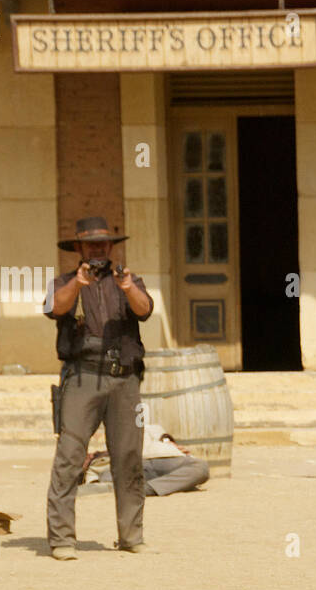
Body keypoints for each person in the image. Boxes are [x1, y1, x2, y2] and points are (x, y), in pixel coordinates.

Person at [43, 216, 154, 560]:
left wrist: (128, 288)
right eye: (90, 245)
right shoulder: (63, 282)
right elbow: (54, 308)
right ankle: (62, 540)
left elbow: (145, 309)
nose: (97, 250)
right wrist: (77, 284)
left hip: (124, 380)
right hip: (82, 378)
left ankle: (131, 535)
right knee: (70, 457)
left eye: (102, 244)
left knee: (129, 458)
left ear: (111, 247)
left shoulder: (128, 280)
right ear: (78, 248)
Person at [80, 422, 211, 498]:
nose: (87, 456)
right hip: (129, 471)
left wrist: (166, 440)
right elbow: (94, 487)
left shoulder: (112, 442)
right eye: (83, 460)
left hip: (162, 459)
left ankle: (148, 488)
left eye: (85, 454)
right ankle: (149, 488)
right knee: (200, 468)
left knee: (201, 467)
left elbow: (152, 428)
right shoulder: (94, 471)